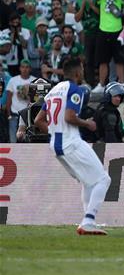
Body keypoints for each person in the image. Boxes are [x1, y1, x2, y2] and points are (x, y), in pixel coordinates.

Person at [33, 57, 111, 235]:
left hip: (56, 144)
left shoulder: (53, 91)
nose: (83, 72)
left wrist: (55, 132)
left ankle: (88, 222)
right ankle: (89, 220)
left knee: (88, 181)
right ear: (77, 73)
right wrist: (87, 123)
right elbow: (69, 117)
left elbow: (38, 120)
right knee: (103, 179)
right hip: (71, 142)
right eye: (82, 69)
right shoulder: (75, 89)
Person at [15, 77, 52, 143]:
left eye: (43, 94)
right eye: (37, 94)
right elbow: (20, 130)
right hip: (31, 143)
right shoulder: (25, 112)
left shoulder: (53, 110)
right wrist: (20, 134)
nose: (40, 98)